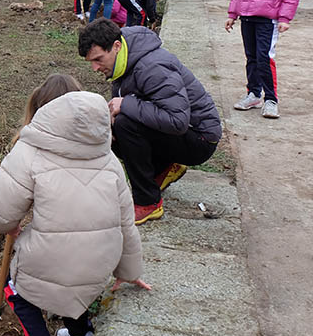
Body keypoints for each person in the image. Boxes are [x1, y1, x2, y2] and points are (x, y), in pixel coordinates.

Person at [0, 75, 148, 336]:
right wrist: (130, 270)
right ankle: (81, 334)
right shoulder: (107, 156)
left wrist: (8, 225)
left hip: (59, 260)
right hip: (99, 264)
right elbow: (126, 219)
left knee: (19, 290)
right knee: (72, 274)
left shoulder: (29, 148)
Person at [78, 19, 222, 224]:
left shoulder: (153, 67)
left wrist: (126, 105)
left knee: (125, 124)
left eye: (98, 59)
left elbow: (178, 120)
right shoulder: (124, 61)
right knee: (114, 129)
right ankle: (163, 169)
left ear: (117, 46)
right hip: (180, 134)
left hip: (200, 139)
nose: (94, 67)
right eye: (90, 62)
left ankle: (148, 202)